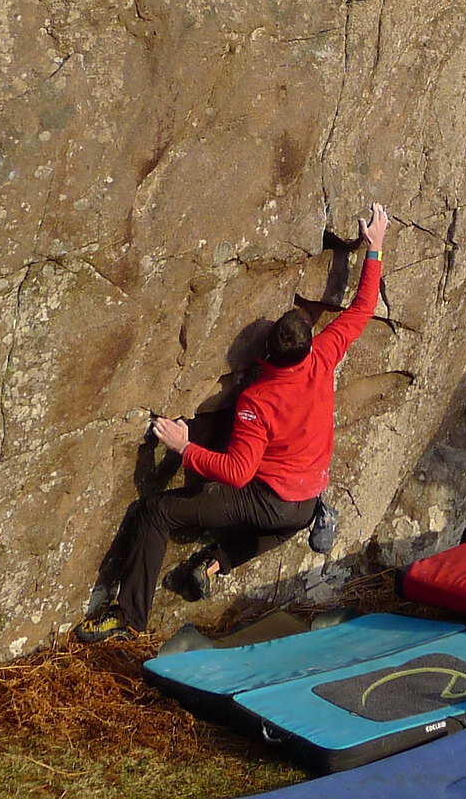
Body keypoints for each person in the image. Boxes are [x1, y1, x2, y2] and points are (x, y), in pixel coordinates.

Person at [76, 205, 389, 642]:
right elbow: (361, 309)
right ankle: (217, 560)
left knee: (156, 512)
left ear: (266, 350)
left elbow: (238, 472)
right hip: (306, 500)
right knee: (284, 522)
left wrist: (185, 447)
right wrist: (373, 248)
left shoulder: (257, 401)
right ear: (307, 347)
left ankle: (129, 618)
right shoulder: (324, 356)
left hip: (272, 500)